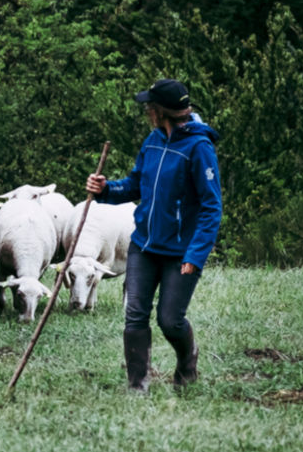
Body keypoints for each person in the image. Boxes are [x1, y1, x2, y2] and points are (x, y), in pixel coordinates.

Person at [85, 78, 222, 392]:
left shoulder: (199, 148)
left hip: (180, 254)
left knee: (170, 320)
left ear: (162, 111)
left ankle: (187, 362)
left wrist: (195, 255)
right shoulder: (153, 140)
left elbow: (211, 207)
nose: (146, 110)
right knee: (135, 315)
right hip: (144, 246)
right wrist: (105, 189)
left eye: (150, 106)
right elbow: (135, 184)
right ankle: (138, 385)